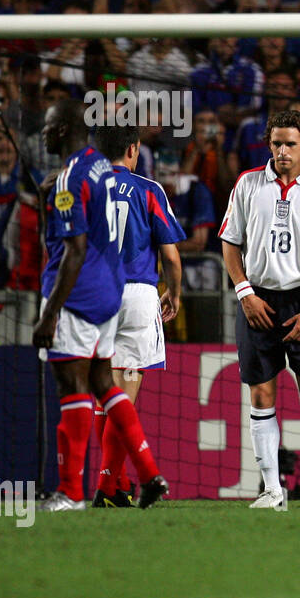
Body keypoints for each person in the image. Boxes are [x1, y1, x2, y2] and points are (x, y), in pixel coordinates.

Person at [30, 99, 169, 511]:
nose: (43, 133)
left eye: (48, 125)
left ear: (63, 130)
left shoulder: (69, 179)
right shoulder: (98, 168)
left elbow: (72, 250)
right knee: (105, 384)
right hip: (112, 289)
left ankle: (71, 492)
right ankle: (148, 474)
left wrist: (50, 313)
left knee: (72, 389)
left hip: (78, 294)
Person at [220, 109, 300, 510]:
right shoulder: (248, 184)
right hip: (257, 301)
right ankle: (272, 489)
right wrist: (245, 293)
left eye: (290, 144)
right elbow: (230, 242)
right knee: (261, 395)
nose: (282, 151)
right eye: (276, 144)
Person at [91, 125, 185, 508]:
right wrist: (174, 293)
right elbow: (172, 256)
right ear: (133, 149)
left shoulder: (85, 189)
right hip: (137, 295)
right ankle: (106, 487)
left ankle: (117, 485)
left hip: (95, 296)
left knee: (105, 397)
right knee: (124, 400)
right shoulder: (148, 190)